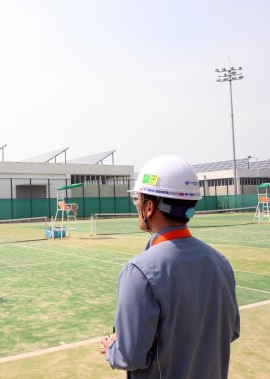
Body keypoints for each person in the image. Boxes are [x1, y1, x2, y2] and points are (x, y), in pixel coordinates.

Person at [100, 154, 240, 378]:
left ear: (149, 207)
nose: (136, 205)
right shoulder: (221, 262)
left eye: (138, 199)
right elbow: (229, 331)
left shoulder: (139, 271)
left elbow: (130, 356)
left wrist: (112, 348)